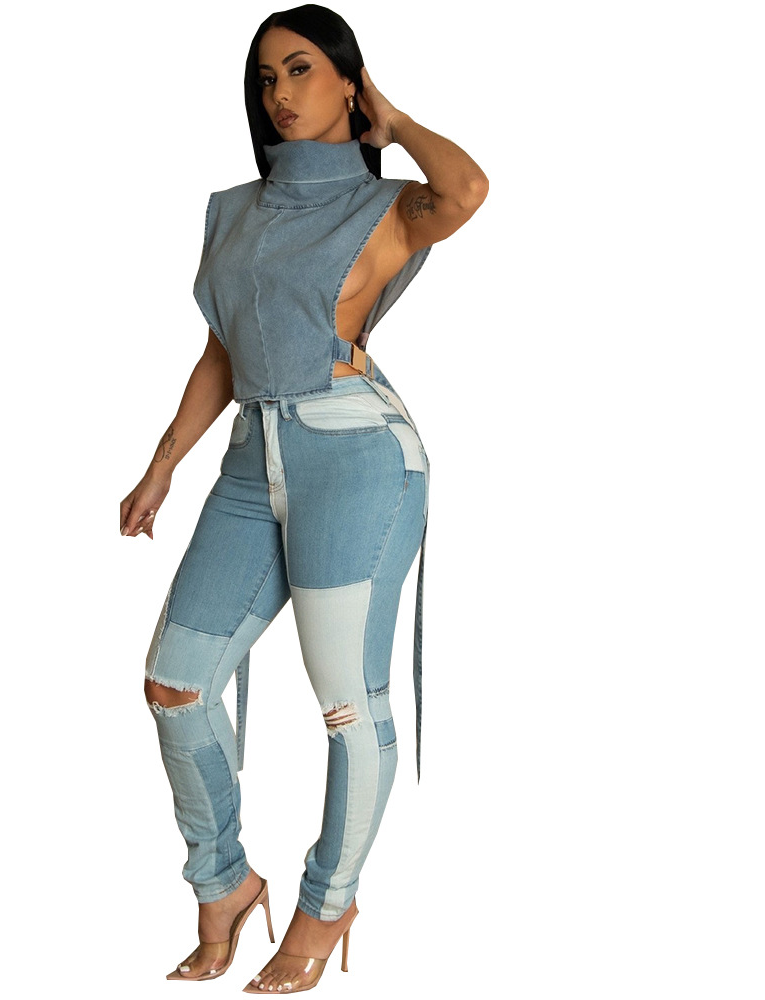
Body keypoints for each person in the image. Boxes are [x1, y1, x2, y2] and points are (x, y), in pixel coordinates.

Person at [120, 4, 487, 991]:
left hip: (355, 454)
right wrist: (163, 463)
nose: (279, 92)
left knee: (345, 706)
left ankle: (328, 906)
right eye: (265, 78)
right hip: (250, 459)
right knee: (174, 684)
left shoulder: (390, 205)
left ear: (347, 82)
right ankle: (225, 882)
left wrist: (392, 122)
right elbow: (224, 350)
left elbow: (468, 188)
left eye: (300, 69)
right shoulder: (233, 210)